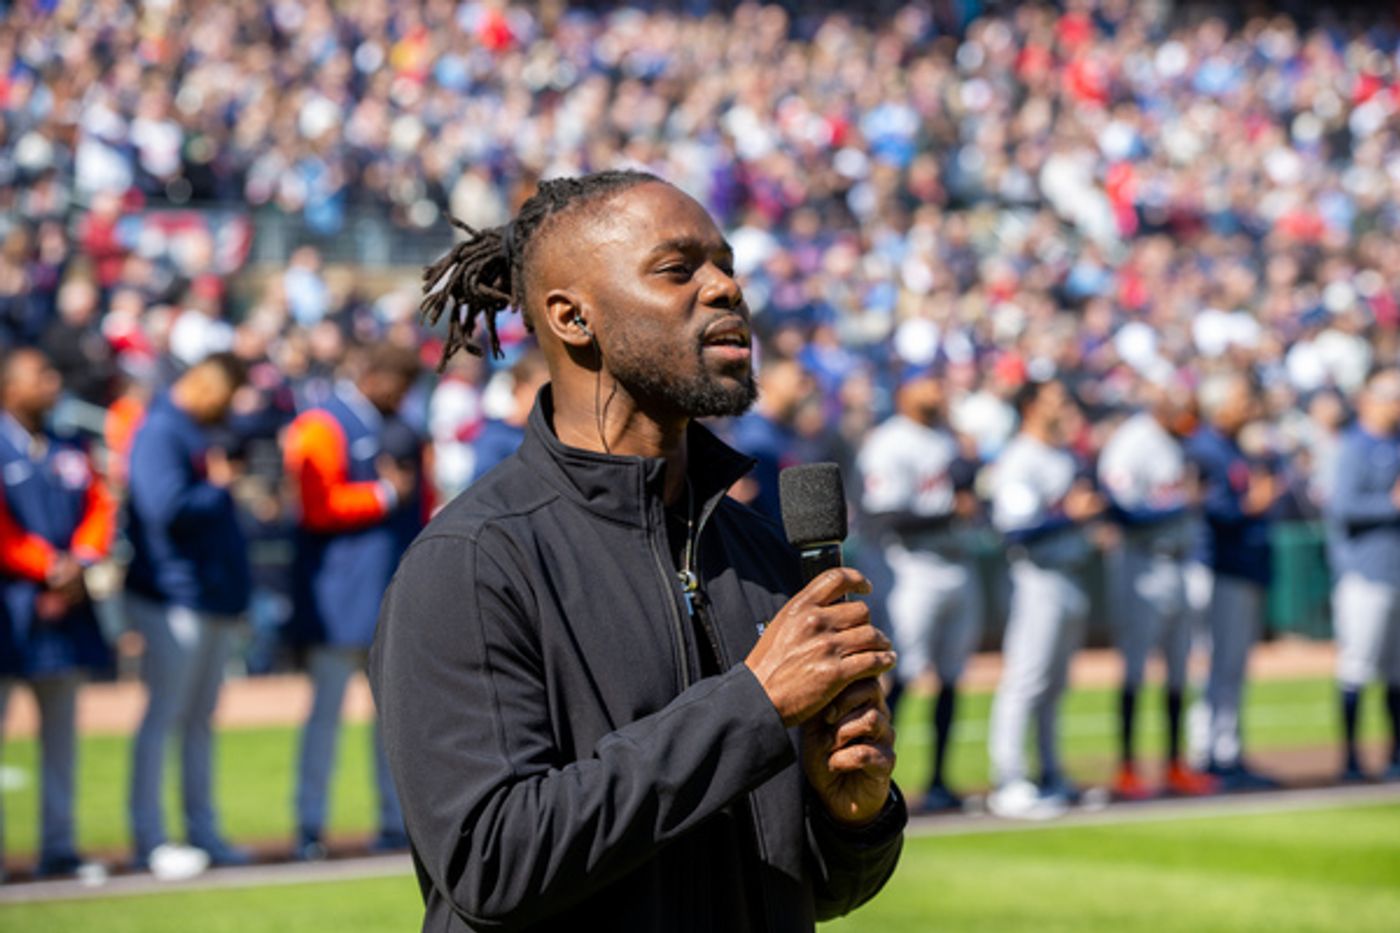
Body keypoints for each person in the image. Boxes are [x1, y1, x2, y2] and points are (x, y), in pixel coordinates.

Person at [371, 170, 905, 932]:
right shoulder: (472, 560)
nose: (724, 287)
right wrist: (752, 707)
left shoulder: (757, 550)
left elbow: (807, 885)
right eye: (678, 268)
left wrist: (854, 817)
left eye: (725, 264)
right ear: (572, 316)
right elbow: (489, 861)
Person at [282, 342, 424, 861]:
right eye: (400, 385)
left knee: (392, 718)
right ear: (380, 377)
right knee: (324, 715)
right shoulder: (322, 422)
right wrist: (384, 495)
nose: (403, 397)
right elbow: (315, 505)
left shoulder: (396, 426)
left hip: (384, 593)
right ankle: (308, 824)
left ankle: (393, 821)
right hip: (335, 596)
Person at [125, 351, 252, 875]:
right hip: (172, 595)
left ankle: (203, 831)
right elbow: (164, 508)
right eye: (226, 396)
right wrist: (219, 488)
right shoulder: (160, 429)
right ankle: (151, 839)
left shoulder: (194, 431)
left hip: (210, 595)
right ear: (206, 386)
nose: (229, 409)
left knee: (199, 721)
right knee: (165, 717)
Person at [0, 348, 115, 879]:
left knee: (63, 739)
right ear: (10, 387)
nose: (52, 383)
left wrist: (81, 561)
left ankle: (60, 846)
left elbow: (99, 506)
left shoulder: (71, 444)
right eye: (40, 376)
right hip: (11, 608)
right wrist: (47, 566)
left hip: (66, 608)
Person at [857, 366, 980, 813]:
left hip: (957, 564)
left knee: (951, 676)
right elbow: (883, 516)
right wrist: (950, 512)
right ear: (905, 391)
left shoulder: (947, 439)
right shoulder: (890, 442)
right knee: (905, 674)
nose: (937, 390)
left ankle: (941, 780)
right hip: (911, 567)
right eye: (927, 382)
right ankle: (876, 780)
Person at [987, 379, 1105, 820]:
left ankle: (1051, 773)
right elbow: (1015, 529)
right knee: (1026, 680)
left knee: (1055, 685)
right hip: (1036, 576)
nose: (1065, 404)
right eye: (1056, 398)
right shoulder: (1020, 457)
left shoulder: (1061, 454)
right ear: (1031, 407)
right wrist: (1069, 517)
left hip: (1068, 575)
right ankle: (1010, 780)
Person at [1098, 381, 1219, 799]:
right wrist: (1178, 505)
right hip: (1141, 564)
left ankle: (1174, 764)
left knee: (1179, 667)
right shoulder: (1131, 442)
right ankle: (1127, 768)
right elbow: (1120, 510)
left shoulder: (1174, 442)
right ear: (1161, 405)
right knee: (1134, 669)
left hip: (1179, 562)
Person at [1185, 373, 1281, 791]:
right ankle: (1208, 753)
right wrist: (1251, 506)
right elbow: (1208, 510)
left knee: (1233, 666)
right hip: (1217, 566)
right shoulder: (1205, 447)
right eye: (1242, 399)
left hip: (1241, 566)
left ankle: (1227, 751)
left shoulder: (1235, 447)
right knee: (1217, 665)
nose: (1250, 407)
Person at [1325, 367, 1400, 782]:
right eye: (1391, 394)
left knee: (1395, 670)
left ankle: (1394, 754)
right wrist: (1392, 504)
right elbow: (1343, 507)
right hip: (1363, 574)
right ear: (1369, 399)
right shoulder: (1354, 445)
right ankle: (1350, 759)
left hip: (1395, 570)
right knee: (1357, 664)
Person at [468, 347, 549, 483]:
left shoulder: (547, 438)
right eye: (542, 389)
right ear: (519, 389)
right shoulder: (495, 438)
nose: (551, 399)